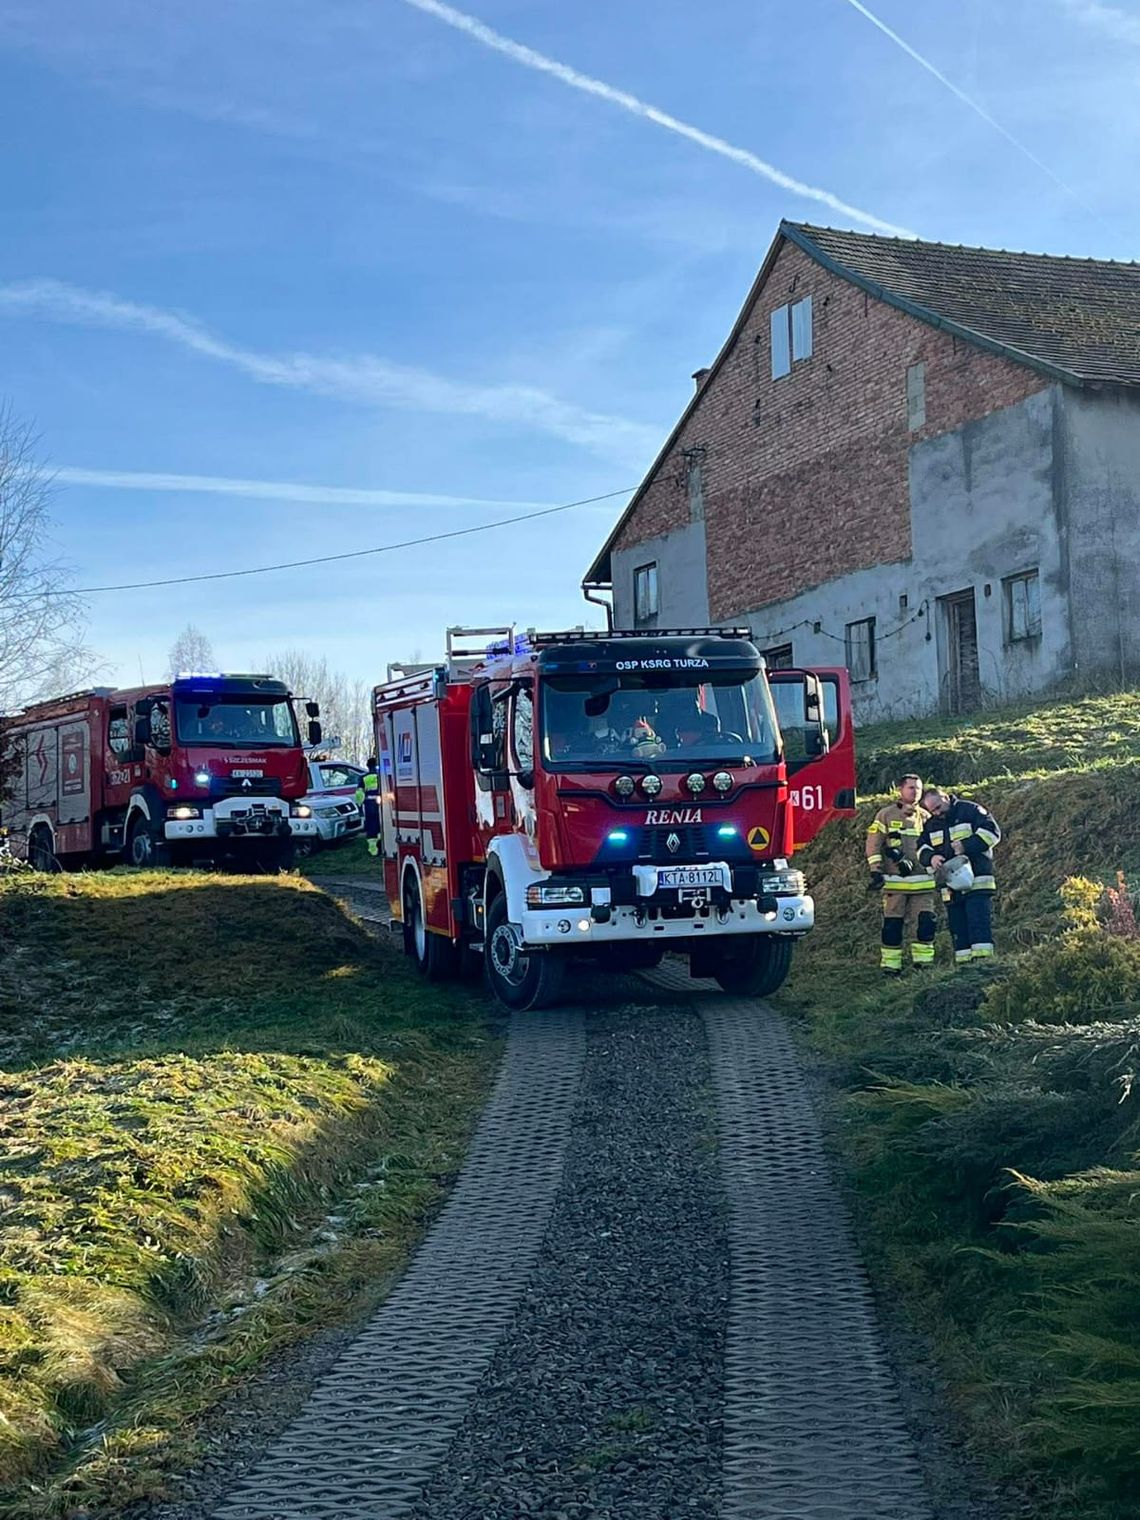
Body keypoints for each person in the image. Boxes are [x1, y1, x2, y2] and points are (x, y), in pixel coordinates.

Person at [917, 787, 1001, 965]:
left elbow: (992, 833)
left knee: (978, 923)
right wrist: (931, 858)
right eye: (932, 811)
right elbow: (921, 848)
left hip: (977, 881)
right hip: (950, 884)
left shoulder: (970, 810)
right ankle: (963, 967)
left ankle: (983, 965)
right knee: (957, 928)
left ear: (946, 798)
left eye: (939, 807)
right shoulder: (931, 824)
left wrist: (966, 845)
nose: (937, 813)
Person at [865, 773, 937, 974]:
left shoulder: (926, 817)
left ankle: (923, 965)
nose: (916, 792)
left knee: (926, 923)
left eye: (919, 788)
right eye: (911, 788)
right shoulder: (885, 815)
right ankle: (891, 966)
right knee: (892, 925)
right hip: (896, 883)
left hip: (923, 883)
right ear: (900, 790)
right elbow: (873, 844)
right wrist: (876, 871)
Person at [355, 756, 382, 857]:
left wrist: (359, 807)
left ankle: (373, 849)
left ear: (368, 766)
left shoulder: (363, 778)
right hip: (383, 803)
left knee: (371, 825)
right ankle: (382, 843)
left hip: (370, 804)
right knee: (381, 823)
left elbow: (359, 794)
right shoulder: (381, 776)